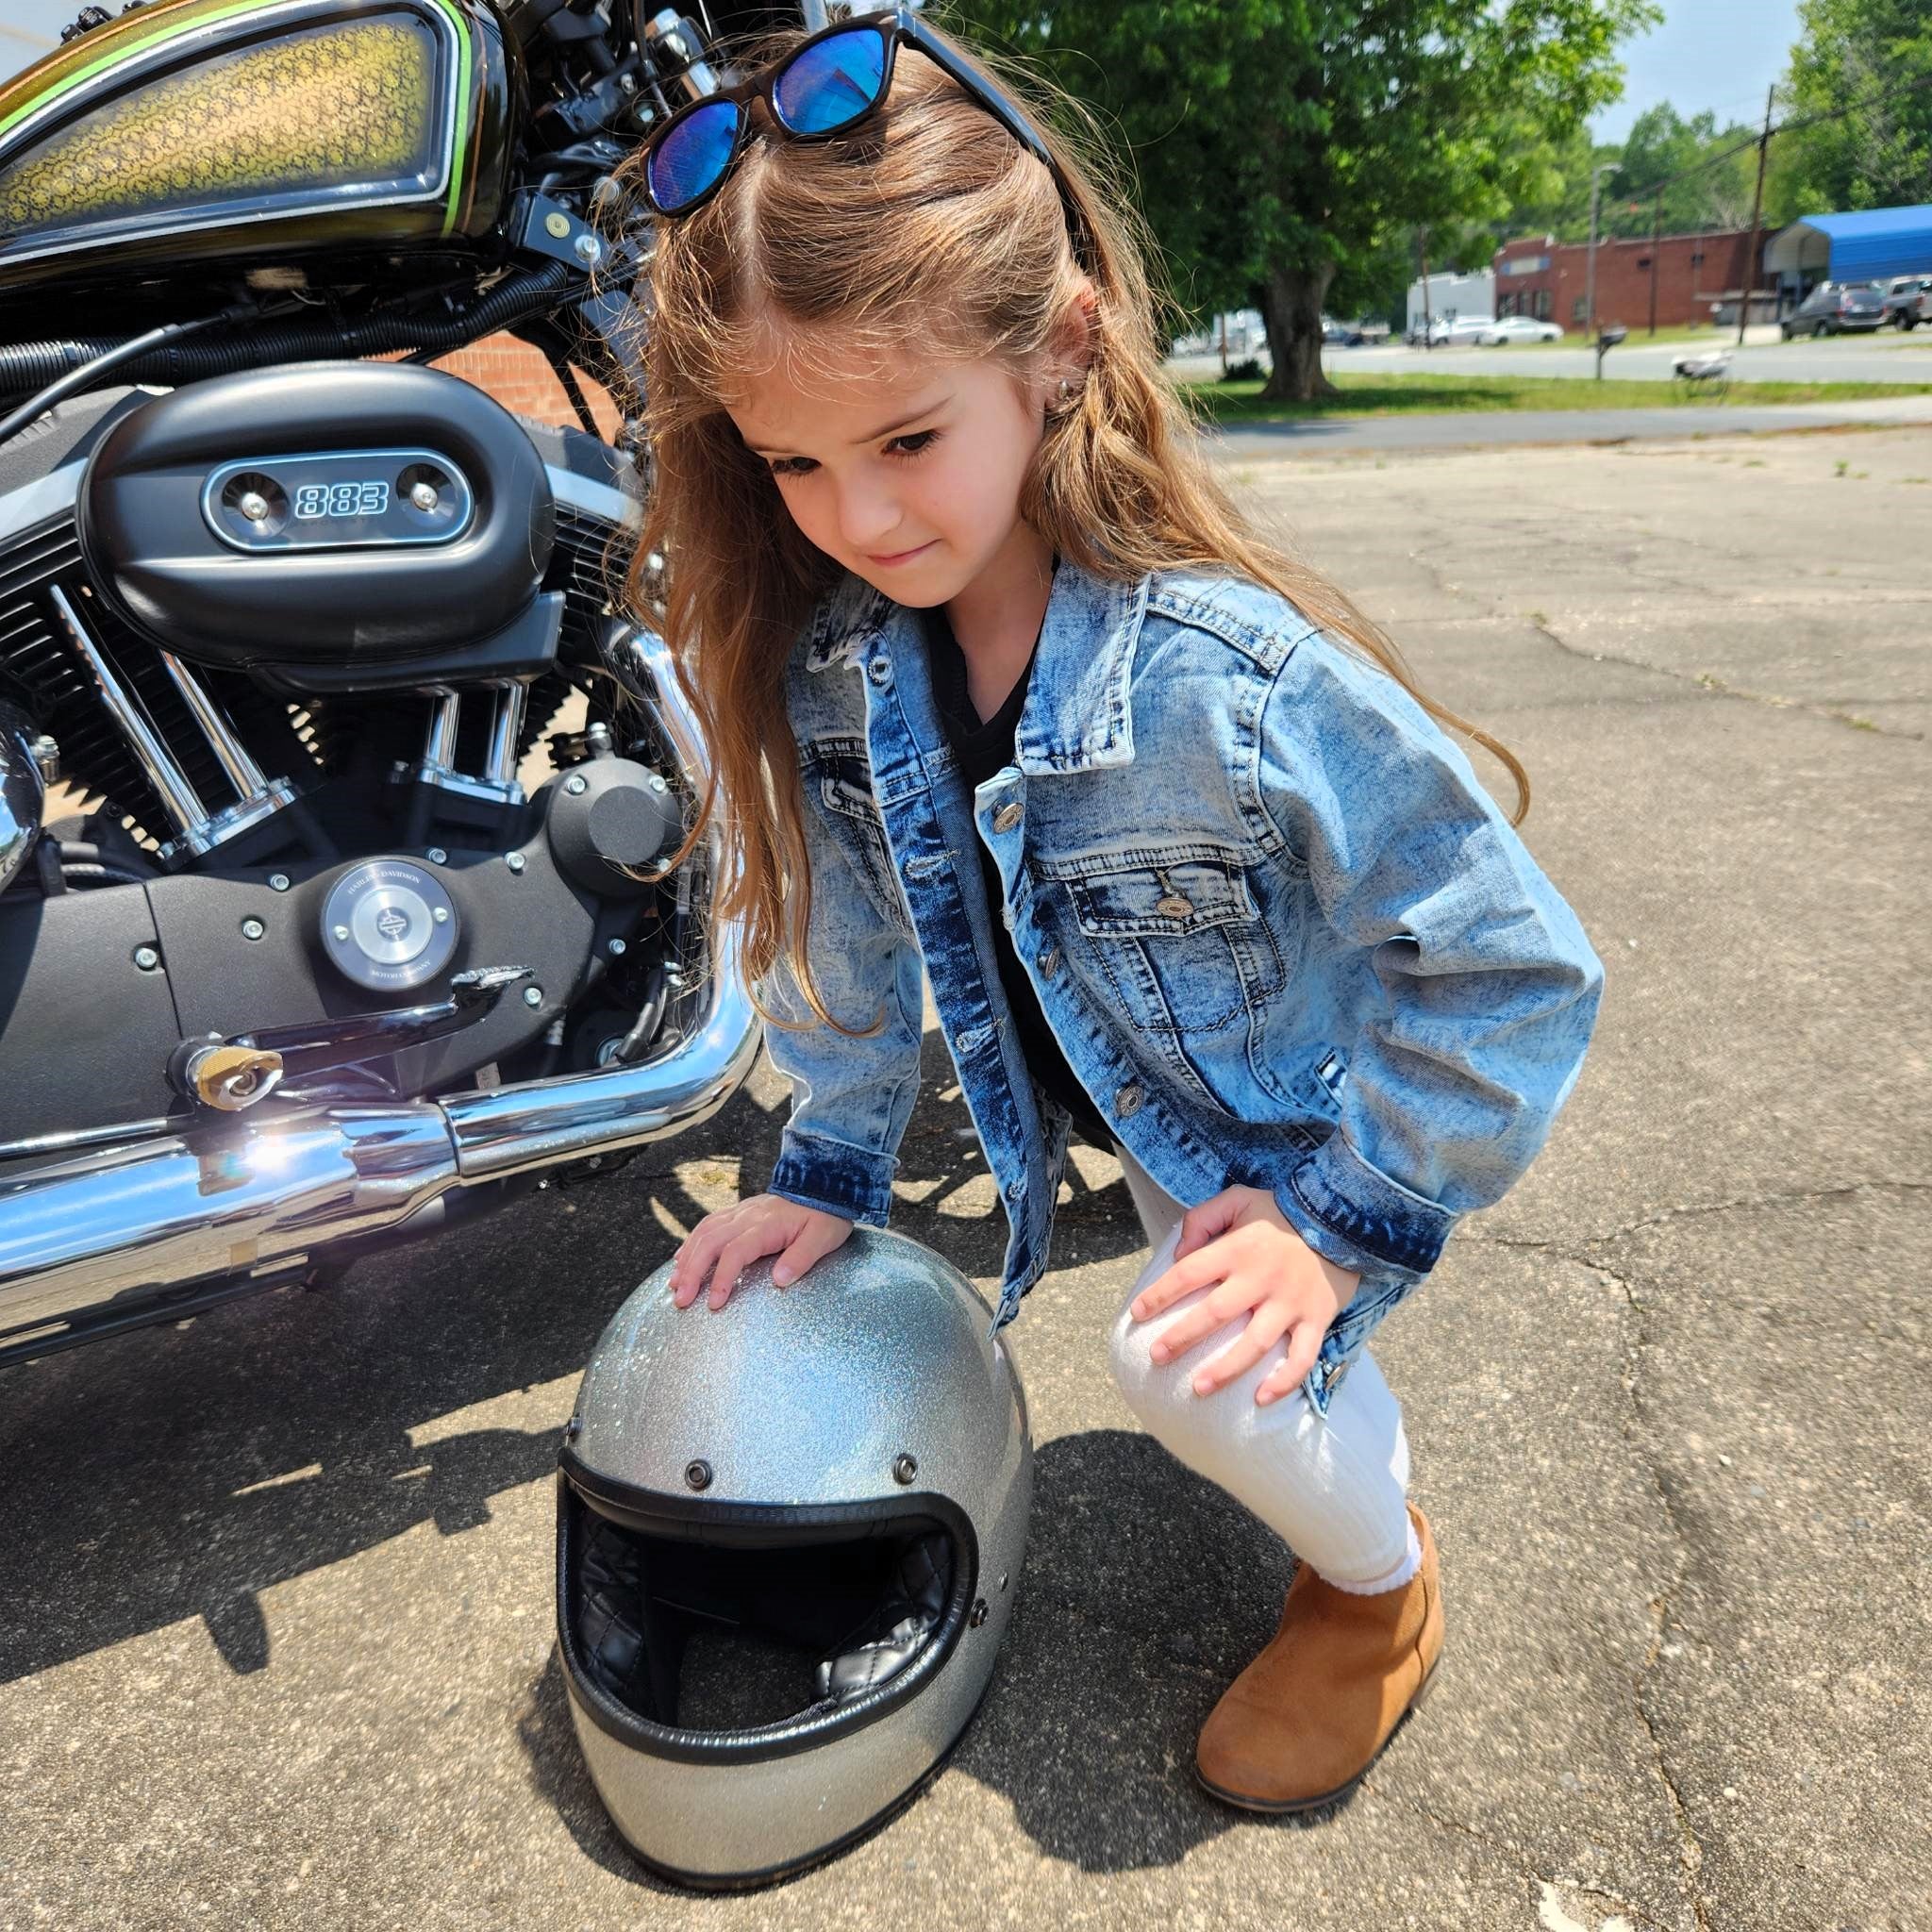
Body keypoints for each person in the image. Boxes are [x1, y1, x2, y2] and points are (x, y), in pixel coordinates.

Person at [618, 7, 1605, 1814]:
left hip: (1279, 1128)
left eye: (908, 438)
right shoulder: (844, 663)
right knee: (1214, 1346)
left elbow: (1515, 964)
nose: (857, 514)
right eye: (795, 463)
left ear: (1060, 351)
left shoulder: (1225, 677)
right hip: (1132, 1105)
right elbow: (843, 937)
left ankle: (1376, 1590)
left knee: (1194, 1366)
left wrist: (1335, 1222)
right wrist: (826, 1167)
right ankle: (1320, 1435)